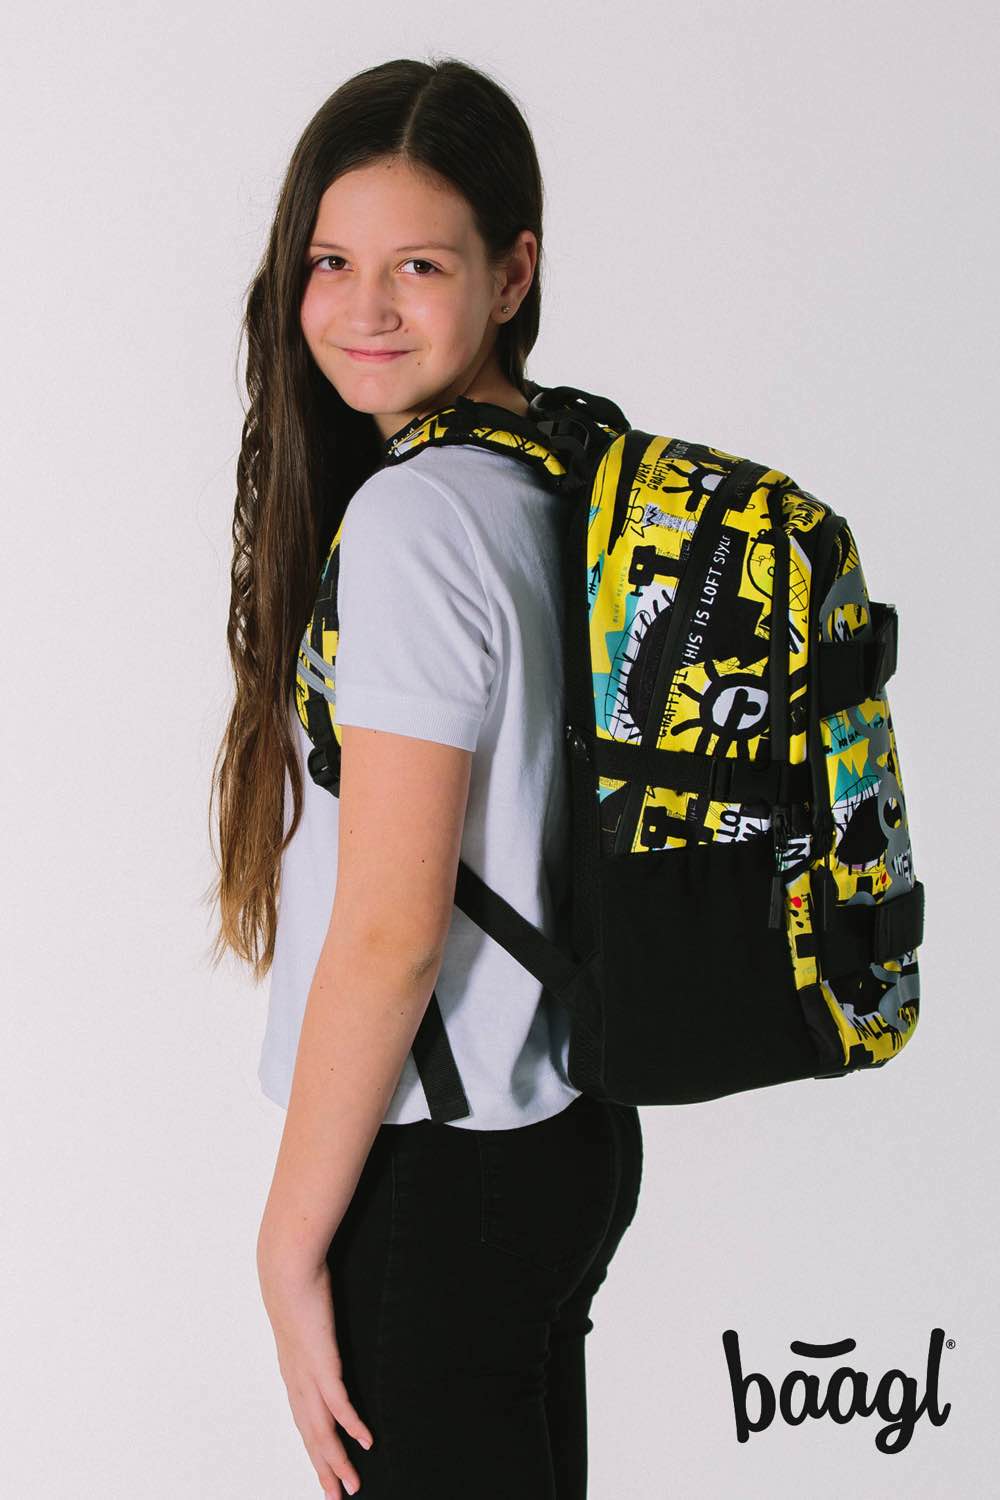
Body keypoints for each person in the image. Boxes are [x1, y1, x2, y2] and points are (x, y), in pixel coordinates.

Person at [208, 55, 643, 1500]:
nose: (365, 307)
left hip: (439, 1171)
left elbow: (394, 933)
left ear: (513, 275)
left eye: (420, 265)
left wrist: (286, 1244)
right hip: (564, 1129)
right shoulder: (558, 479)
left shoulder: (414, 522)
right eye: (331, 261)